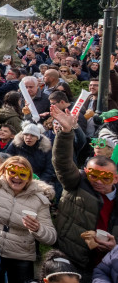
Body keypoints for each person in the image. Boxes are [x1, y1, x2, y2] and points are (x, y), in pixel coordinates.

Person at [0, 122, 57, 283]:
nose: (16, 177)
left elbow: (51, 237)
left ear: (29, 176)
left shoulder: (39, 198)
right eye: (12, 172)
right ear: (4, 171)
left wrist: (38, 229)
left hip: (21, 256)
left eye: (22, 174)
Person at [51, 106, 118, 278]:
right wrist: (65, 132)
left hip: (108, 264)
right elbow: (62, 163)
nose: (98, 181)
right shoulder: (77, 182)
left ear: (116, 179)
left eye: (105, 177)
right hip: (73, 258)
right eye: (93, 175)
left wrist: (115, 247)